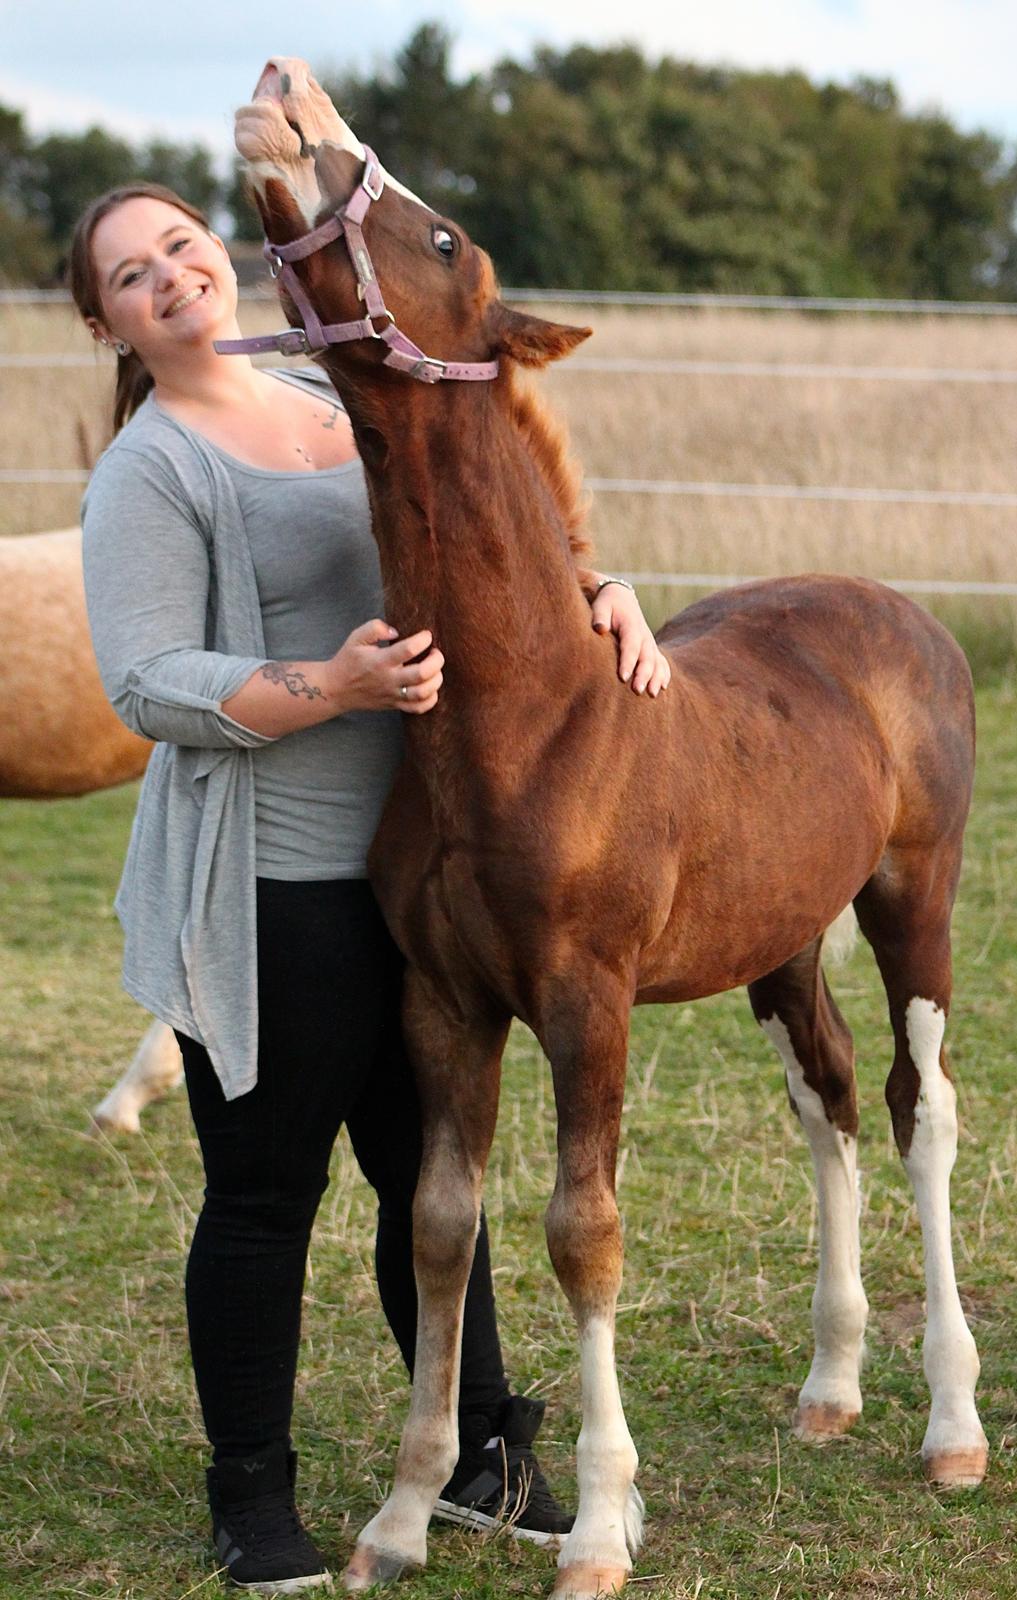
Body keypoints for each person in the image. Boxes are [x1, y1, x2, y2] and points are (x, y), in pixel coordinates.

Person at [71, 182, 671, 1595]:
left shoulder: (336, 385)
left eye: (178, 245)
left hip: (433, 866)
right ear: (103, 319)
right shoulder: (151, 470)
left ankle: (475, 1458)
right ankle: (251, 1499)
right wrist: (327, 686)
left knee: (428, 1170)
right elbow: (146, 682)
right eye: (128, 276)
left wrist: (598, 590)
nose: (170, 277)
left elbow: (480, 531)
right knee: (267, 1193)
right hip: (272, 884)